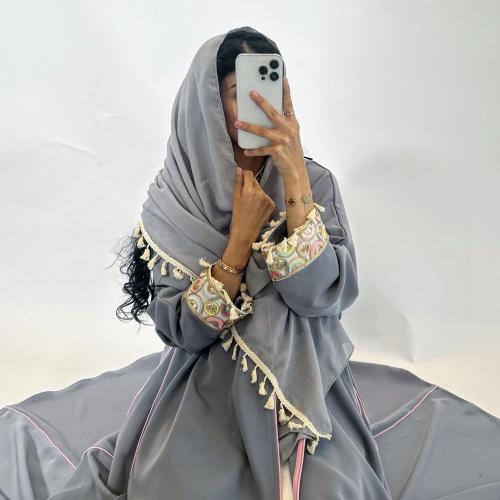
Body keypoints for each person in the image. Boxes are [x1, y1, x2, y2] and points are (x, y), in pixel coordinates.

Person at [48, 26, 392, 499]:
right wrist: (239, 242)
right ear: (208, 104)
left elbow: (319, 299)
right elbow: (185, 334)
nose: (258, 104)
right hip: (207, 384)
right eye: (237, 93)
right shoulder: (178, 198)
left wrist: (294, 179)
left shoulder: (313, 182)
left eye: (268, 87)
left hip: (301, 378)